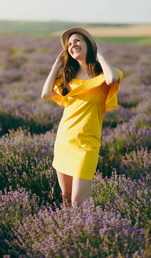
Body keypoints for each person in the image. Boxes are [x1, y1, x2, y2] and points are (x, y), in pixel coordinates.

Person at [41, 28, 123, 209]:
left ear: (89, 45)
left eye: (77, 41)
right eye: (69, 44)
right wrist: (57, 65)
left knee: (78, 203)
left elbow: (112, 79)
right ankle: (68, 235)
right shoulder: (67, 78)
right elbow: (45, 94)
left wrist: (99, 55)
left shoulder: (103, 76)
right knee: (66, 197)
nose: (73, 45)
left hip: (87, 145)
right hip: (64, 141)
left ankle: (78, 233)